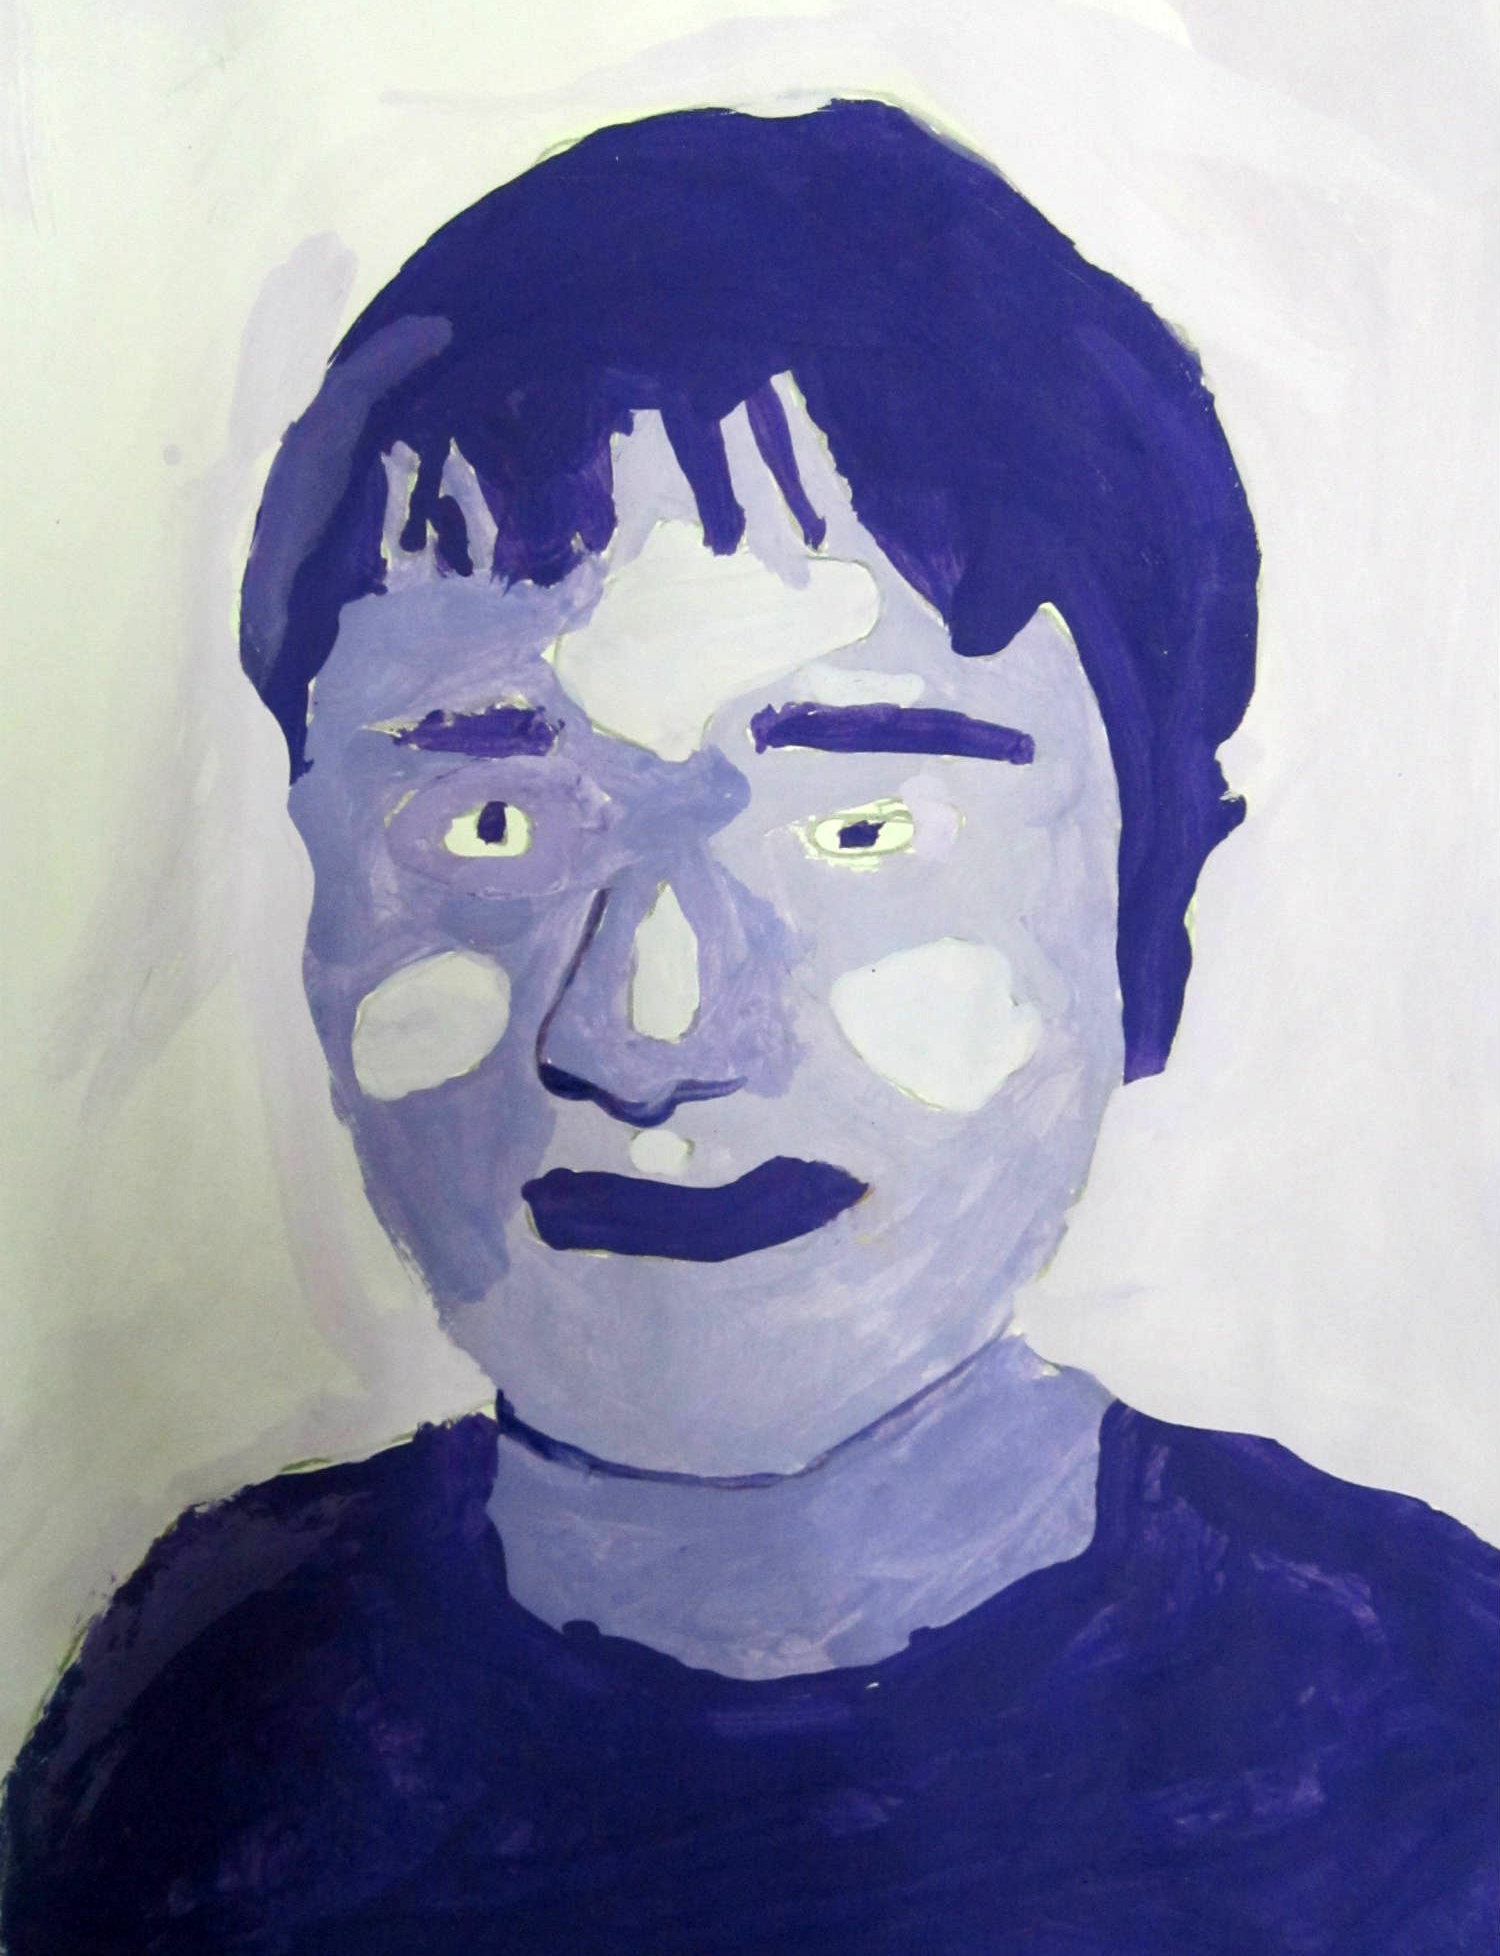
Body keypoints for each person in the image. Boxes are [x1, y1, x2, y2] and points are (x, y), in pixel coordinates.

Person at [2, 101, 1494, 1955]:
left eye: (861, 831)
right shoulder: (192, 1721)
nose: (650, 1027)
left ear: (1151, 927)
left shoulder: (1436, 1743)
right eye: (492, 828)